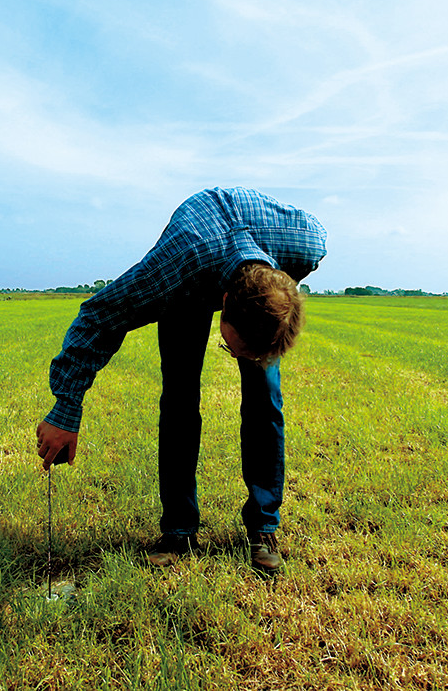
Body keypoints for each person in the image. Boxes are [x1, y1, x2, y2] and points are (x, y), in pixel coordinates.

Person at [36, 187, 327, 571]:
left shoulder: (306, 242)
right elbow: (100, 315)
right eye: (233, 347)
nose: (240, 358)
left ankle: (263, 526)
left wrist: (275, 304)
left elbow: (307, 254)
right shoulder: (174, 267)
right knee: (179, 398)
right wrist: (65, 409)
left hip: (259, 255)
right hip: (191, 270)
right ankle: (179, 530)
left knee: (264, 398)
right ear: (224, 304)